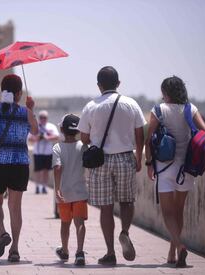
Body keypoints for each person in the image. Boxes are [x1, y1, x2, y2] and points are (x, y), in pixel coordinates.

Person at [78, 66, 146, 265]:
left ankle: (110, 252)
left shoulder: (91, 106)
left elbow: (83, 138)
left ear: (99, 85)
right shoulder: (131, 104)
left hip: (101, 161)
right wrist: (139, 158)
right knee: (127, 200)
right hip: (125, 157)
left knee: (106, 207)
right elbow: (140, 134)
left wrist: (96, 137)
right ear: (118, 83)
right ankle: (124, 232)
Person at [144, 76, 205, 268]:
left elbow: (149, 140)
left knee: (167, 212)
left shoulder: (159, 110)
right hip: (187, 167)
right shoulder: (191, 109)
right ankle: (172, 252)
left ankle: (179, 246)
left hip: (165, 167)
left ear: (165, 93)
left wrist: (149, 163)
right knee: (179, 210)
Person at [0, 74, 38, 262]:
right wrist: (30, 109)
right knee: (15, 208)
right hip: (19, 164)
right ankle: (14, 249)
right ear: (19, 93)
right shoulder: (25, 112)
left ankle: (2, 233)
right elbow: (36, 131)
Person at [52, 114, 89, 266]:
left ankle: (65, 250)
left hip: (65, 193)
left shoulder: (57, 147)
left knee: (65, 223)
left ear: (61, 129)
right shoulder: (83, 146)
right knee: (79, 223)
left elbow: (58, 167)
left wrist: (57, 188)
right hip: (80, 191)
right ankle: (79, 252)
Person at [29, 110, 59, 194]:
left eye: (44, 117)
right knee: (38, 171)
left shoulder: (51, 126)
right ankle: (38, 186)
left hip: (47, 152)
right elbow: (30, 138)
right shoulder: (35, 126)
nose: (42, 119)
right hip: (37, 152)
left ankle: (44, 187)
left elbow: (57, 136)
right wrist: (38, 138)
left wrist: (47, 137)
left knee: (46, 170)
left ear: (47, 118)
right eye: (41, 117)